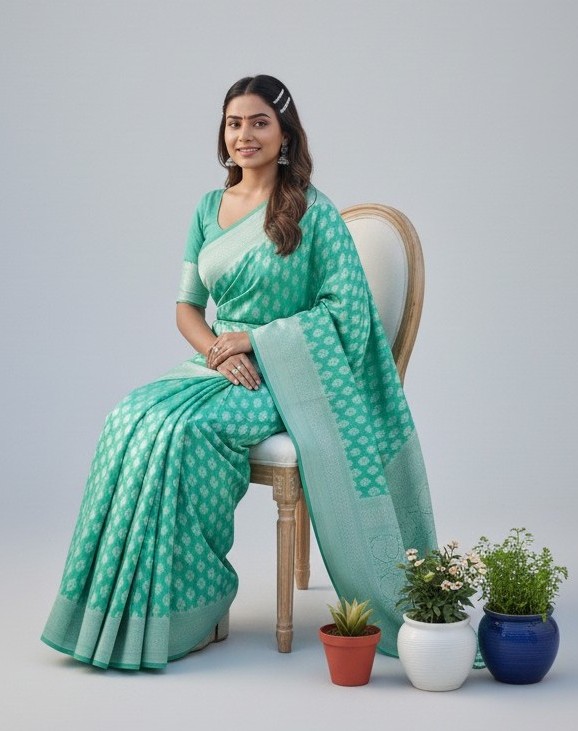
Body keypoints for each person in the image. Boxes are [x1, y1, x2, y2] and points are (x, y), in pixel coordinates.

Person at [41, 75, 436, 670]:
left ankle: (195, 604)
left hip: (285, 377)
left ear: (285, 135)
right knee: (129, 418)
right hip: (216, 363)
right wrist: (220, 352)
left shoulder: (314, 212)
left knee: (185, 432)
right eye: (234, 123)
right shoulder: (208, 208)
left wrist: (254, 341)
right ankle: (120, 608)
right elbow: (186, 307)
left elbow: (347, 311)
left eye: (259, 122)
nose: (244, 135)